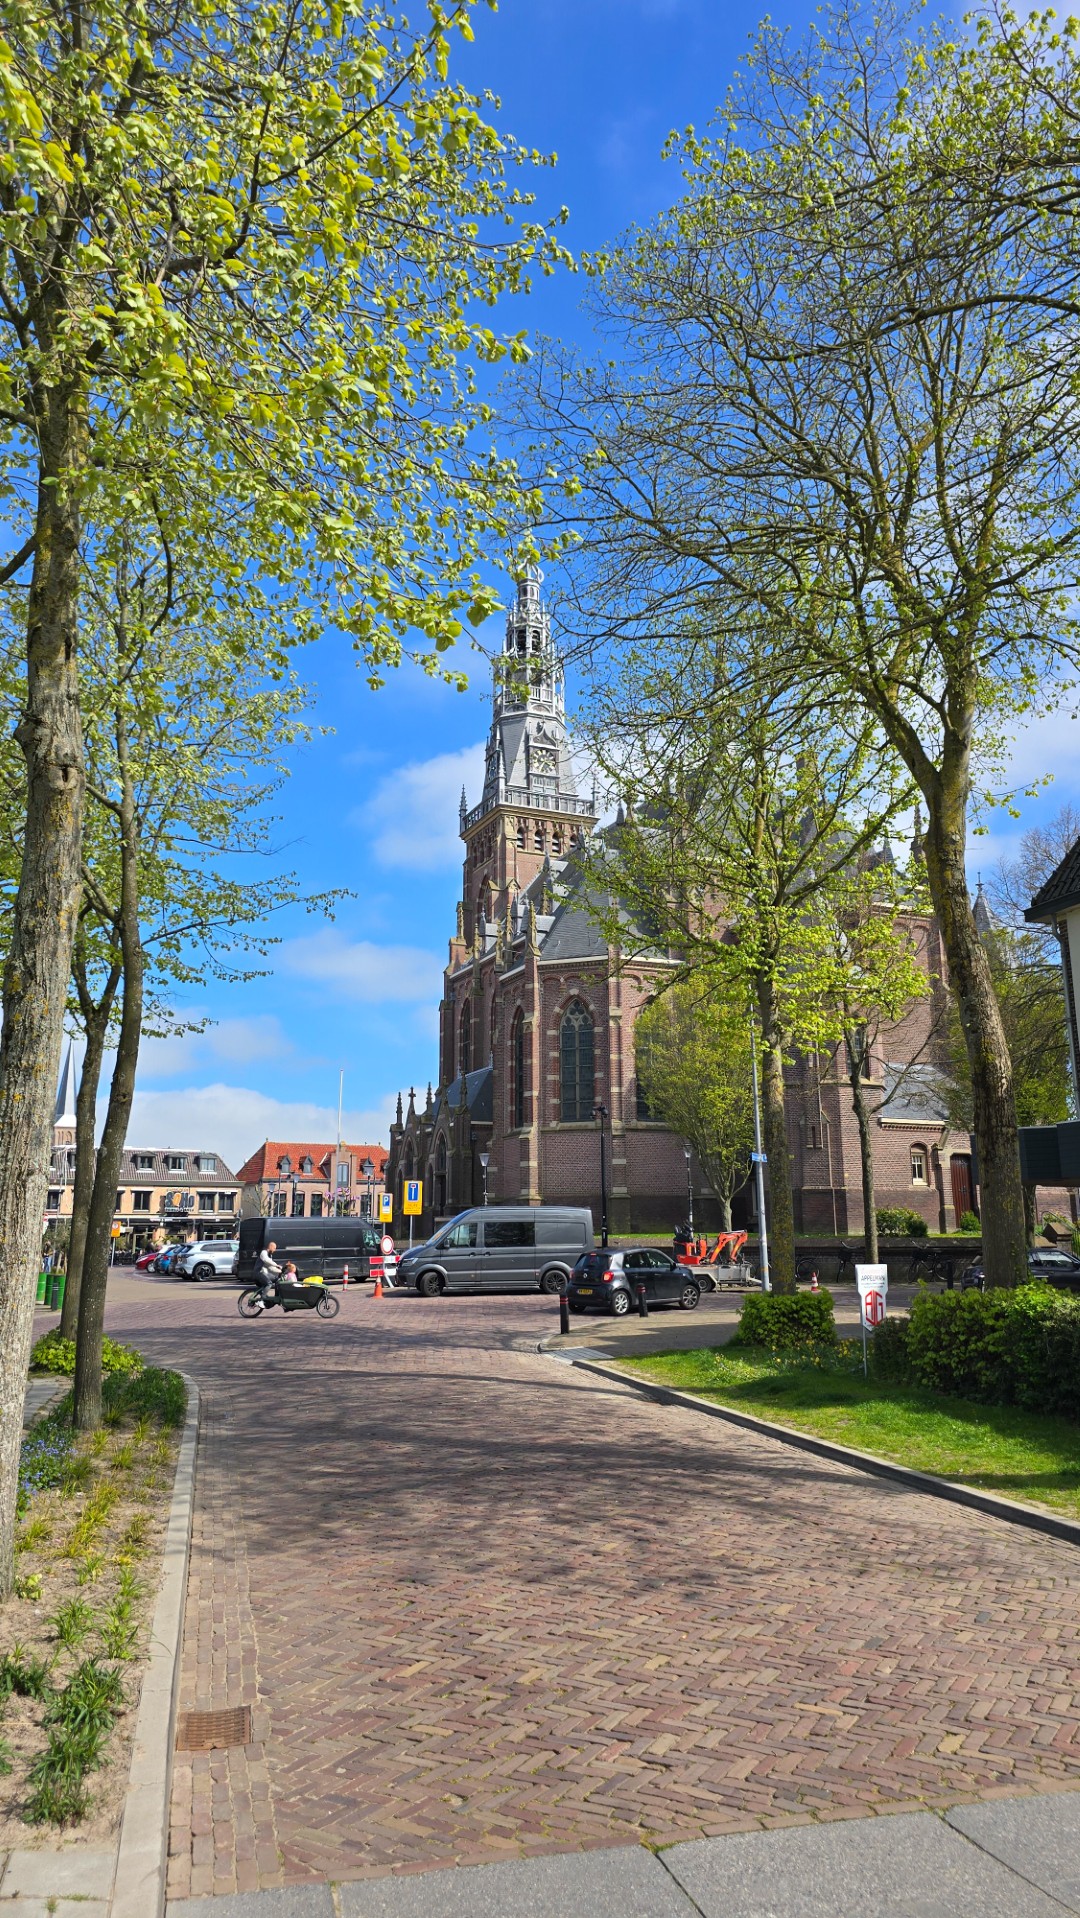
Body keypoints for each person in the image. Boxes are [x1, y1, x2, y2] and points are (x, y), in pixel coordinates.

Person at [254, 1240, 281, 1312]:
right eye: (274, 1248)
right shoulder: (263, 1252)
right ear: (270, 1247)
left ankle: (276, 1297)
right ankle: (261, 1301)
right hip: (259, 1272)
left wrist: (280, 1271)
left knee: (277, 1280)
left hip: (265, 1273)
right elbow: (266, 1260)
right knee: (269, 1283)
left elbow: (270, 1267)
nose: (275, 1250)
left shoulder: (269, 1255)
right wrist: (276, 1265)